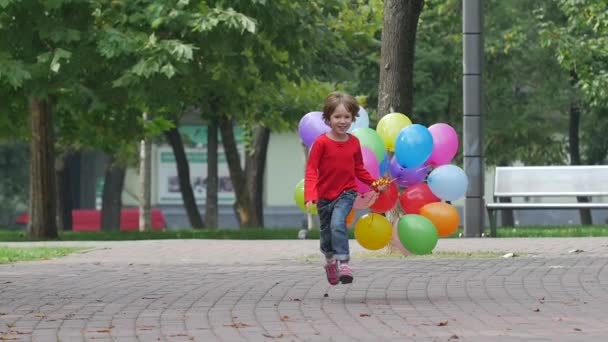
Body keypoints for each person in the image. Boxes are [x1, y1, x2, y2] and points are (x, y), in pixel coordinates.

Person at [304, 91, 386, 285]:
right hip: (325, 196)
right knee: (326, 236)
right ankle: (330, 262)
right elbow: (311, 171)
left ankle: (344, 263)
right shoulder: (321, 143)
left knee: (337, 224)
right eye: (337, 116)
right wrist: (310, 195)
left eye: (347, 117)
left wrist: (375, 184)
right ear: (328, 118)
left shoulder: (354, 142)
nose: (342, 121)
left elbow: (359, 169)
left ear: (353, 118)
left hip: (346, 193)